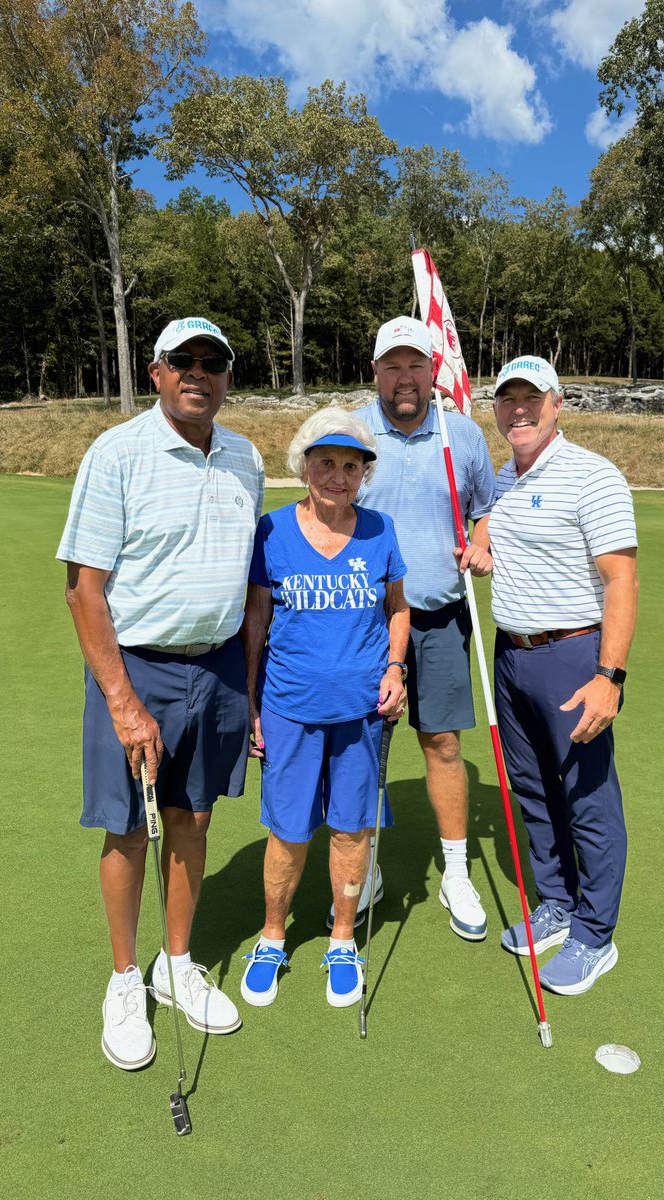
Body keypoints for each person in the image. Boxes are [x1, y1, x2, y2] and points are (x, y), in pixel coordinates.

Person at [57, 316, 264, 1069]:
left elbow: (248, 590)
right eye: (184, 361)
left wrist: (246, 688)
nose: (198, 374)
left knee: (194, 818)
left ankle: (175, 964)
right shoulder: (118, 453)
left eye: (213, 362)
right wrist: (121, 698)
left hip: (212, 669)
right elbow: (84, 590)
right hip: (136, 665)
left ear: (227, 376)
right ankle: (123, 980)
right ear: (156, 372)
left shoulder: (245, 458)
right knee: (128, 827)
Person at [239, 408, 409, 1008]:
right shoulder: (272, 531)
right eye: (325, 462)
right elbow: (256, 621)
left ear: (364, 473)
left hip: (362, 710)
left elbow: (398, 608)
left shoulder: (380, 530)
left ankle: (341, 938)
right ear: (304, 467)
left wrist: (394, 668)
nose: (337, 476)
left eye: (350, 465)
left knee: (351, 829)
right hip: (288, 707)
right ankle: (272, 936)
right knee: (287, 832)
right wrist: (253, 704)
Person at [489, 355, 638, 995]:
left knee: (586, 795)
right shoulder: (504, 476)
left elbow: (621, 580)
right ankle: (555, 897)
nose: (519, 409)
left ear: (557, 404)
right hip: (511, 655)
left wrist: (611, 674)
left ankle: (594, 933)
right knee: (531, 787)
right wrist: (481, 537)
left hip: (573, 655)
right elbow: (497, 529)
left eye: (532, 398)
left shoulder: (592, 476)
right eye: (508, 399)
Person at [348, 316, 496, 941]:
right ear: (376, 371)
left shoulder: (460, 435)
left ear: (432, 371)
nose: (404, 378)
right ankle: (368, 863)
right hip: (363, 622)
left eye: (415, 365)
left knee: (442, 745)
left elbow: (487, 506)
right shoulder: (353, 432)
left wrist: (483, 539)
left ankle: (456, 872)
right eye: (392, 366)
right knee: (365, 750)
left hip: (439, 619)